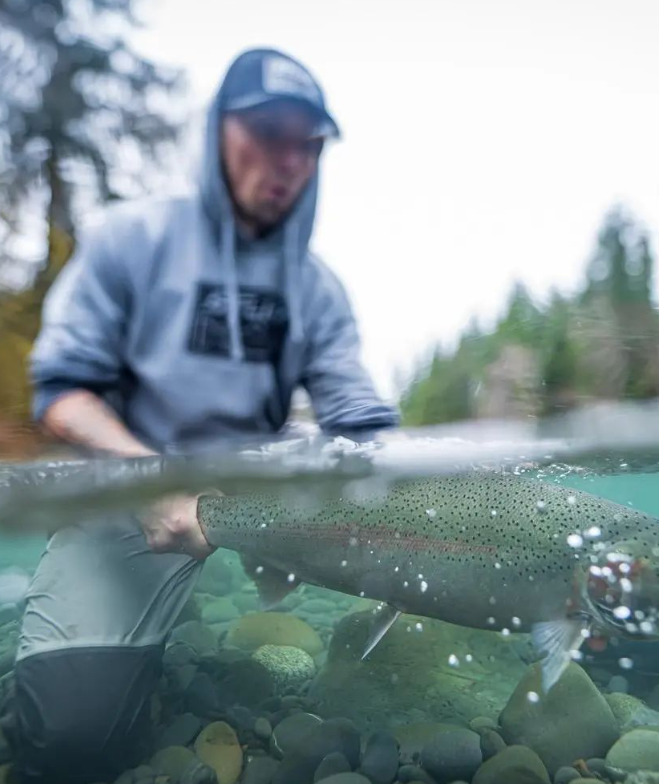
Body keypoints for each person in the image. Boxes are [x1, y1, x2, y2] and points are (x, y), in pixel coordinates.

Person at [7, 48, 399, 783]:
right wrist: (151, 484)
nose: (285, 160)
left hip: (259, 501)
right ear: (217, 134)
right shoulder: (132, 242)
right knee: (70, 744)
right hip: (126, 506)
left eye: (304, 144)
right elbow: (61, 393)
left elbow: (361, 423)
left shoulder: (317, 290)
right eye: (265, 135)